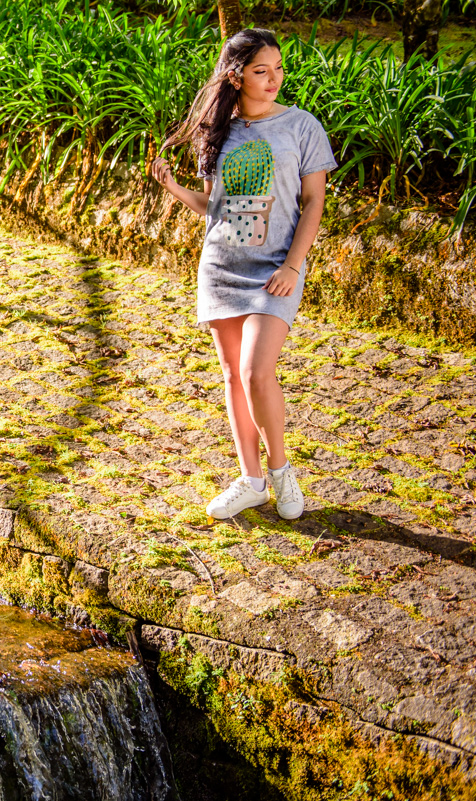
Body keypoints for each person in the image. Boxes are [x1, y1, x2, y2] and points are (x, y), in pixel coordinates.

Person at [149, 28, 337, 520]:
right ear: (235, 75)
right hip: (221, 267)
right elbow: (214, 208)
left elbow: (314, 201)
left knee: (257, 370)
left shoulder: (301, 126)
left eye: (277, 68)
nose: (274, 78)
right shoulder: (218, 132)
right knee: (233, 373)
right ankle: (251, 480)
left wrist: (293, 266)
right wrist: (172, 187)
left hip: (276, 269)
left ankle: (281, 472)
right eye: (261, 70)